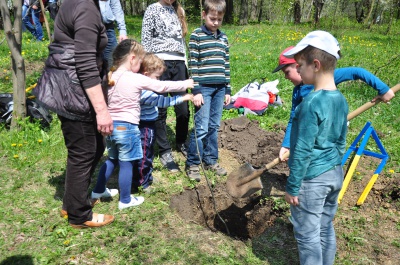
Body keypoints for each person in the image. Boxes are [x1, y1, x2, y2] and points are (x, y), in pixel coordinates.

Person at [33, 0, 114, 228]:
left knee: (89, 147)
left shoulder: (75, 3)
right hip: (73, 90)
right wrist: (102, 111)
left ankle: (72, 203)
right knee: (85, 150)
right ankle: (79, 215)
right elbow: (85, 64)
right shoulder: (86, 8)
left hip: (68, 86)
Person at [91, 40, 194, 209]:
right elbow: (161, 86)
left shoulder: (111, 76)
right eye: (139, 62)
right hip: (128, 127)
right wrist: (185, 84)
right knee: (126, 163)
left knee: (112, 159)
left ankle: (98, 190)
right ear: (132, 59)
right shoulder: (134, 78)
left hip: (111, 126)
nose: (140, 66)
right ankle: (125, 200)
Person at [282, 30, 349, 265]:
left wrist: (293, 186)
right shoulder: (340, 99)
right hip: (334, 173)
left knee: (307, 235)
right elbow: (341, 140)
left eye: (300, 65)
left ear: (316, 65)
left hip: (312, 179)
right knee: (324, 227)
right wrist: (334, 164)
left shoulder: (311, 102)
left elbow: (302, 150)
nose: (297, 70)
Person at [273, 47, 395, 162]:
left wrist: (383, 89)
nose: (285, 77)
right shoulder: (297, 92)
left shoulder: (325, 78)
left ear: (299, 66)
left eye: (287, 72)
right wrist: (287, 144)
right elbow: (293, 119)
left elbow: (356, 71)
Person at [132, 53, 194, 193]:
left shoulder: (142, 87)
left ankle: (146, 176)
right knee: (145, 154)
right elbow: (164, 101)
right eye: (157, 77)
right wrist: (182, 98)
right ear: (146, 74)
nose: (158, 80)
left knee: (147, 152)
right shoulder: (146, 93)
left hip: (147, 124)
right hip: (145, 126)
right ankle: (143, 182)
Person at [141, 0, 190, 172]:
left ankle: (181, 141)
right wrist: (148, 67)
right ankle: (165, 150)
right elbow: (145, 40)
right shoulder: (152, 9)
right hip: (159, 64)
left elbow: (182, 44)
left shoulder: (178, 10)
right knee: (160, 110)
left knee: (183, 109)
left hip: (179, 64)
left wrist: (186, 65)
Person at [185, 0, 231, 181]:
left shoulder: (223, 38)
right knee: (202, 127)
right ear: (204, 15)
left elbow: (226, 64)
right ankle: (193, 163)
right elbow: (193, 65)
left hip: (220, 89)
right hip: (203, 88)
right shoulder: (196, 36)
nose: (216, 23)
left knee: (214, 126)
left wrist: (227, 89)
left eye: (219, 19)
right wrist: (195, 90)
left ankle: (211, 160)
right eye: (212, 19)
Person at [99, 0, 128, 68]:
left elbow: (116, 8)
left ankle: (110, 77)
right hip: (91, 28)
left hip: (109, 28)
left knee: (112, 60)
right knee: (93, 59)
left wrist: (122, 30)